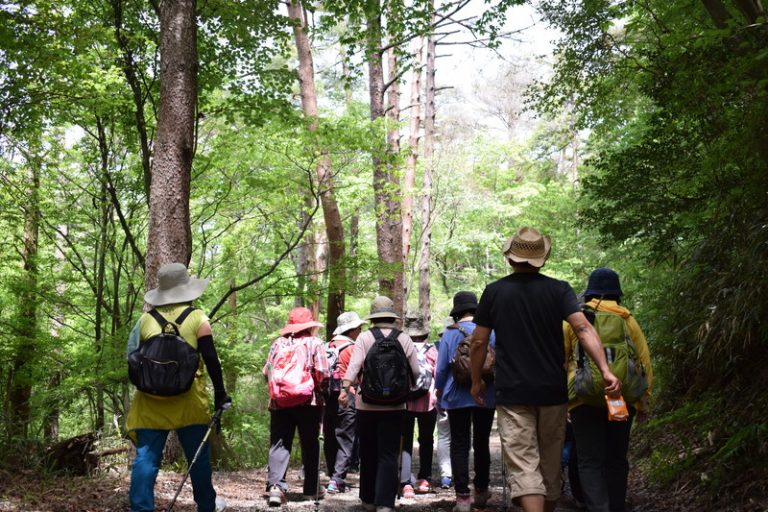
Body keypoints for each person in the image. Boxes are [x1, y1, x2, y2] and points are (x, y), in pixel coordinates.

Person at [469, 227, 621, 512]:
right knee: (550, 467)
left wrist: (476, 381)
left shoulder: (494, 292)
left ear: (511, 258)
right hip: (553, 391)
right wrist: (606, 369)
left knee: (524, 465)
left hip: (513, 393)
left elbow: (478, 342)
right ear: (542, 258)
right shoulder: (559, 289)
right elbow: (582, 327)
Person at [126, 262, 230, 512]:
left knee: (145, 461)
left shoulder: (144, 321)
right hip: (190, 402)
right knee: (198, 460)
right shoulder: (197, 318)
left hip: (150, 403)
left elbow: (131, 359)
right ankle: (206, 506)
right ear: (186, 288)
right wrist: (220, 394)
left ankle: (141, 509)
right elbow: (211, 359)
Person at [564, 267, 653, 512]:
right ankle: (616, 507)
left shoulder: (575, 320)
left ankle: (597, 508)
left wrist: (564, 401)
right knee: (616, 459)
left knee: (589, 460)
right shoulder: (627, 319)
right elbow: (644, 362)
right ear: (617, 293)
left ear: (589, 292)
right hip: (621, 398)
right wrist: (644, 399)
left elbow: (562, 359)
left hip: (583, 399)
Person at [340, 296, 421, 512]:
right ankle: (385, 503)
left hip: (366, 405)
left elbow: (354, 367)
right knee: (388, 454)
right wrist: (408, 389)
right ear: (391, 316)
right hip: (395, 406)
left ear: (373, 317)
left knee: (368, 452)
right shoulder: (403, 339)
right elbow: (416, 371)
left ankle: (368, 500)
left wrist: (344, 388)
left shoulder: (365, 337)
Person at [434, 291, 496, 512]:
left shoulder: (449, 334)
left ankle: (462, 499)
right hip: (486, 395)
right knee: (481, 442)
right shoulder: (490, 331)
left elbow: (441, 368)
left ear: (457, 312)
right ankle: (481, 491)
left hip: (457, 395)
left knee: (460, 444)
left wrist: (439, 391)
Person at [263, 307, 330, 507]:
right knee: (310, 443)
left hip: (280, 403)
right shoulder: (315, 343)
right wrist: (320, 389)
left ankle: (276, 487)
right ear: (309, 325)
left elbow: (267, 371)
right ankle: (311, 489)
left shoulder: (278, 343)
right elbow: (323, 373)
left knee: (279, 443)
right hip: (308, 402)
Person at [324, 311, 367, 494]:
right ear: (351, 330)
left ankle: (333, 475)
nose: (360, 331)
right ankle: (337, 479)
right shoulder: (353, 347)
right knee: (346, 438)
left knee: (330, 435)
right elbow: (361, 375)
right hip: (346, 394)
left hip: (327, 395)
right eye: (359, 328)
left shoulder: (327, 345)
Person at [399, 314, 439, 501]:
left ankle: (405, 483)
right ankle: (424, 479)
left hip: (404, 402)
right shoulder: (432, 351)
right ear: (424, 333)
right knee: (426, 440)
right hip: (427, 402)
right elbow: (438, 377)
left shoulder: (401, 349)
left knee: (405, 442)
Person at [435, 317, 454, 489]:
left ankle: (446, 475)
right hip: (466, 396)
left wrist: (438, 391)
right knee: (463, 435)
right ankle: (459, 470)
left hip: (445, 395)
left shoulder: (438, 346)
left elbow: (439, 371)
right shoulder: (466, 341)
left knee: (443, 435)